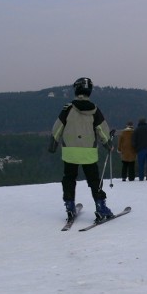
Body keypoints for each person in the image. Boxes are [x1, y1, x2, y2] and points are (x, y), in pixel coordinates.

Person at [49, 77, 114, 221]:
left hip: (70, 152)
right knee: (94, 180)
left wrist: (53, 142)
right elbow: (102, 130)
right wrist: (108, 144)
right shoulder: (95, 110)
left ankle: (70, 206)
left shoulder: (67, 109)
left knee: (69, 178)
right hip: (88, 153)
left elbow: (57, 127)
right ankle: (101, 207)